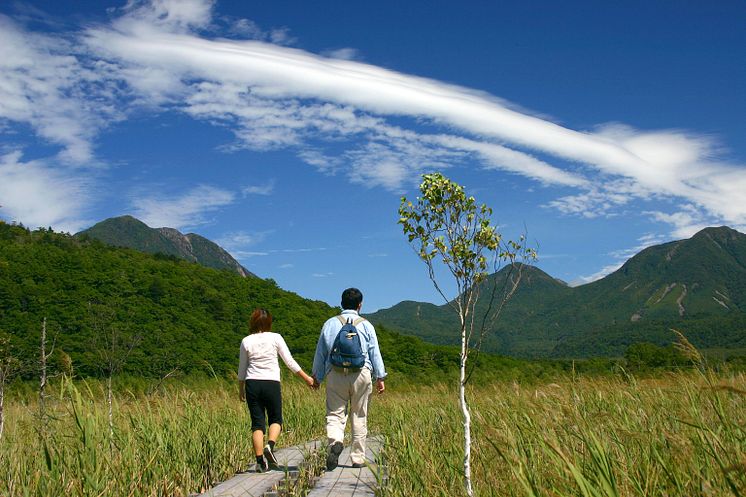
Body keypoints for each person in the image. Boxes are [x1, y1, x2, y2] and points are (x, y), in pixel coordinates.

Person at [312, 288, 386, 470]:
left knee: (335, 413)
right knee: (359, 415)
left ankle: (336, 442)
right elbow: (374, 352)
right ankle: (357, 458)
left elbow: (320, 352)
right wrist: (380, 377)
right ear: (360, 305)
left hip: (335, 373)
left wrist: (317, 376)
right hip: (361, 373)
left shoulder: (330, 324)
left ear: (341, 303)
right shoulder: (366, 325)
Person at [238, 308, 315, 472]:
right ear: (269, 322)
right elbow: (289, 361)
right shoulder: (276, 338)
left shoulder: (246, 341)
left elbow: (242, 369)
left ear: (253, 322)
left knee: (257, 424)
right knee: (276, 419)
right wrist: (307, 378)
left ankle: (260, 463)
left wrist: (240, 389)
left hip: (252, 383)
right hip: (271, 382)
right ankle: (270, 446)